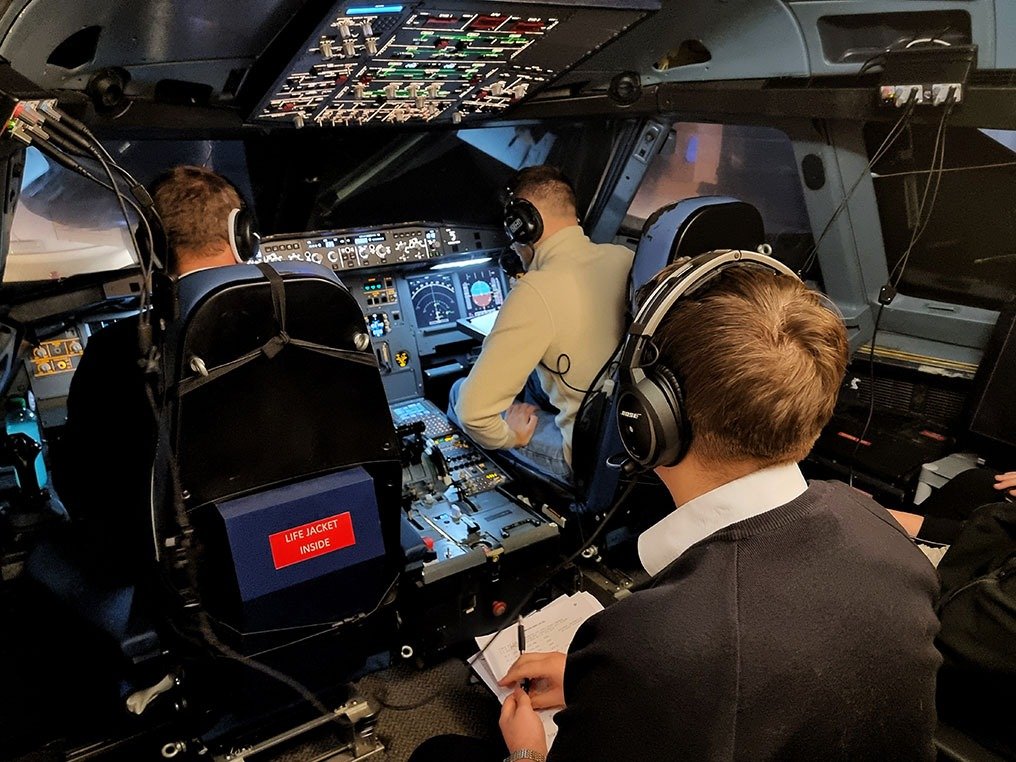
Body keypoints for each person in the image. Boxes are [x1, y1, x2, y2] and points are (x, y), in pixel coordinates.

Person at [416, 258, 941, 762]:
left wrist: (528, 750)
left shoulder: (650, 646)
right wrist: (589, 680)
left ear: (645, 419)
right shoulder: (882, 533)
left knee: (441, 753)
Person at [57, 165, 248, 583]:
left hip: (193, 586)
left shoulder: (114, 352)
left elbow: (81, 486)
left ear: (151, 248)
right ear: (243, 235)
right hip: (317, 552)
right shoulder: (308, 317)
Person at [448, 166, 633, 482]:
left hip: (583, 452)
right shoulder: (625, 257)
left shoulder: (536, 290)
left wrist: (511, 437)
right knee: (534, 379)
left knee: (457, 392)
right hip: (632, 433)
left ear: (524, 226)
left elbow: (474, 413)